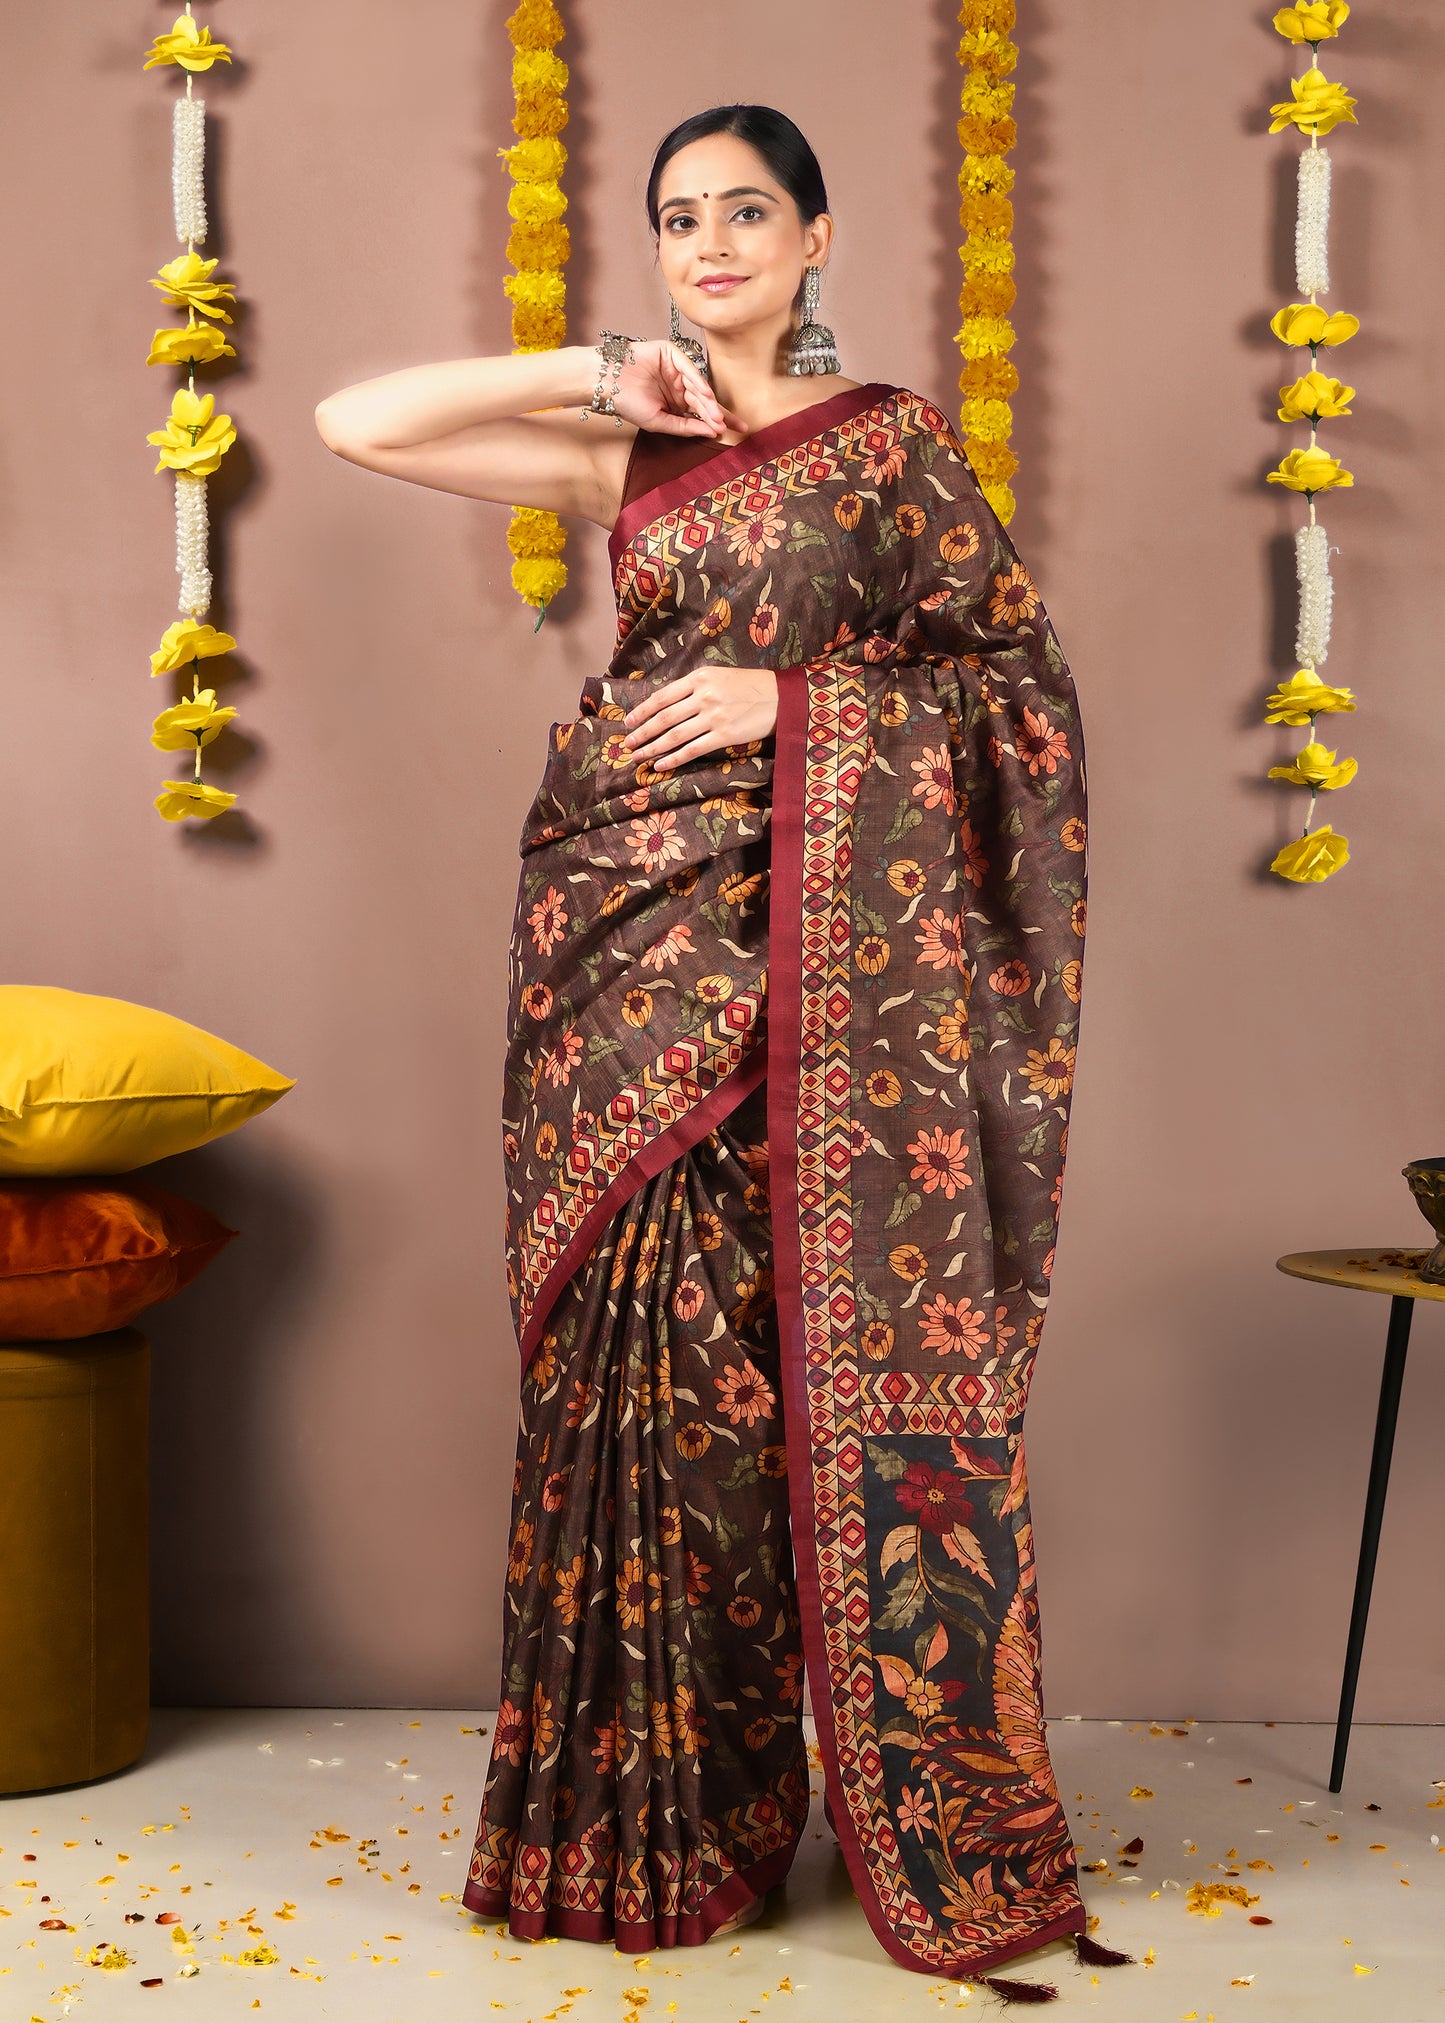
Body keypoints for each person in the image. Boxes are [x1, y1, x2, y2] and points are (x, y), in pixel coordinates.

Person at [315, 102, 1127, 2000]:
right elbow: (357, 422)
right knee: (636, 1380)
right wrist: (598, 370)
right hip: (616, 945)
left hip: (827, 981)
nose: (709, 245)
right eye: (678, 219)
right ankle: (639, 1822)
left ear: (816, 236)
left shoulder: (896, 448)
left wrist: (791, 697)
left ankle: (789, 1793)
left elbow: (1022, 702)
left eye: (745, 212)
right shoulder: (631, 449)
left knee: (772, 1383)